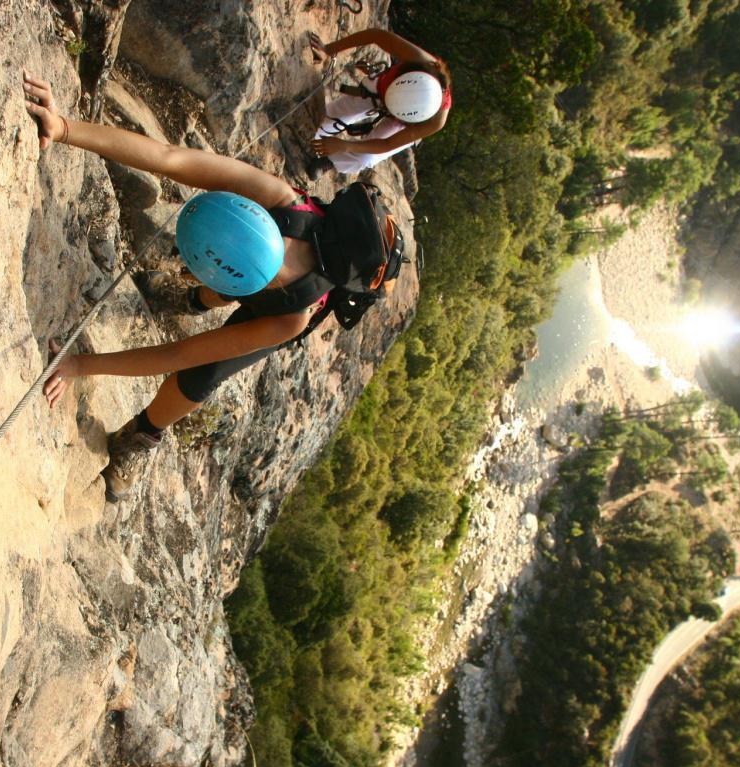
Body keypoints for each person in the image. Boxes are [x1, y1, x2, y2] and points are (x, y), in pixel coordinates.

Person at [23, 70, 335, 503]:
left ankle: (142, 437)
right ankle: (193, 299)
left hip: (282, 300)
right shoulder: (275, 197)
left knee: (203, 376)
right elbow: (169, 158)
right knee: (212, 295)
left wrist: (80, 365)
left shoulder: (292, 317)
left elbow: (177, 355)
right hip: (254, 261)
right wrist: (65, 129)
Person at [306, 27, 451, 178]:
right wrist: (328, 50)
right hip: (381, 89)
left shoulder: (434, 121)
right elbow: (376, 35)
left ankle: (330, 161)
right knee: (326, 121)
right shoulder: (421, 63)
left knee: (366, 157)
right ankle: (322, 134)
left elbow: (386, 144)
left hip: (405, 121)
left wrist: (345, 146)